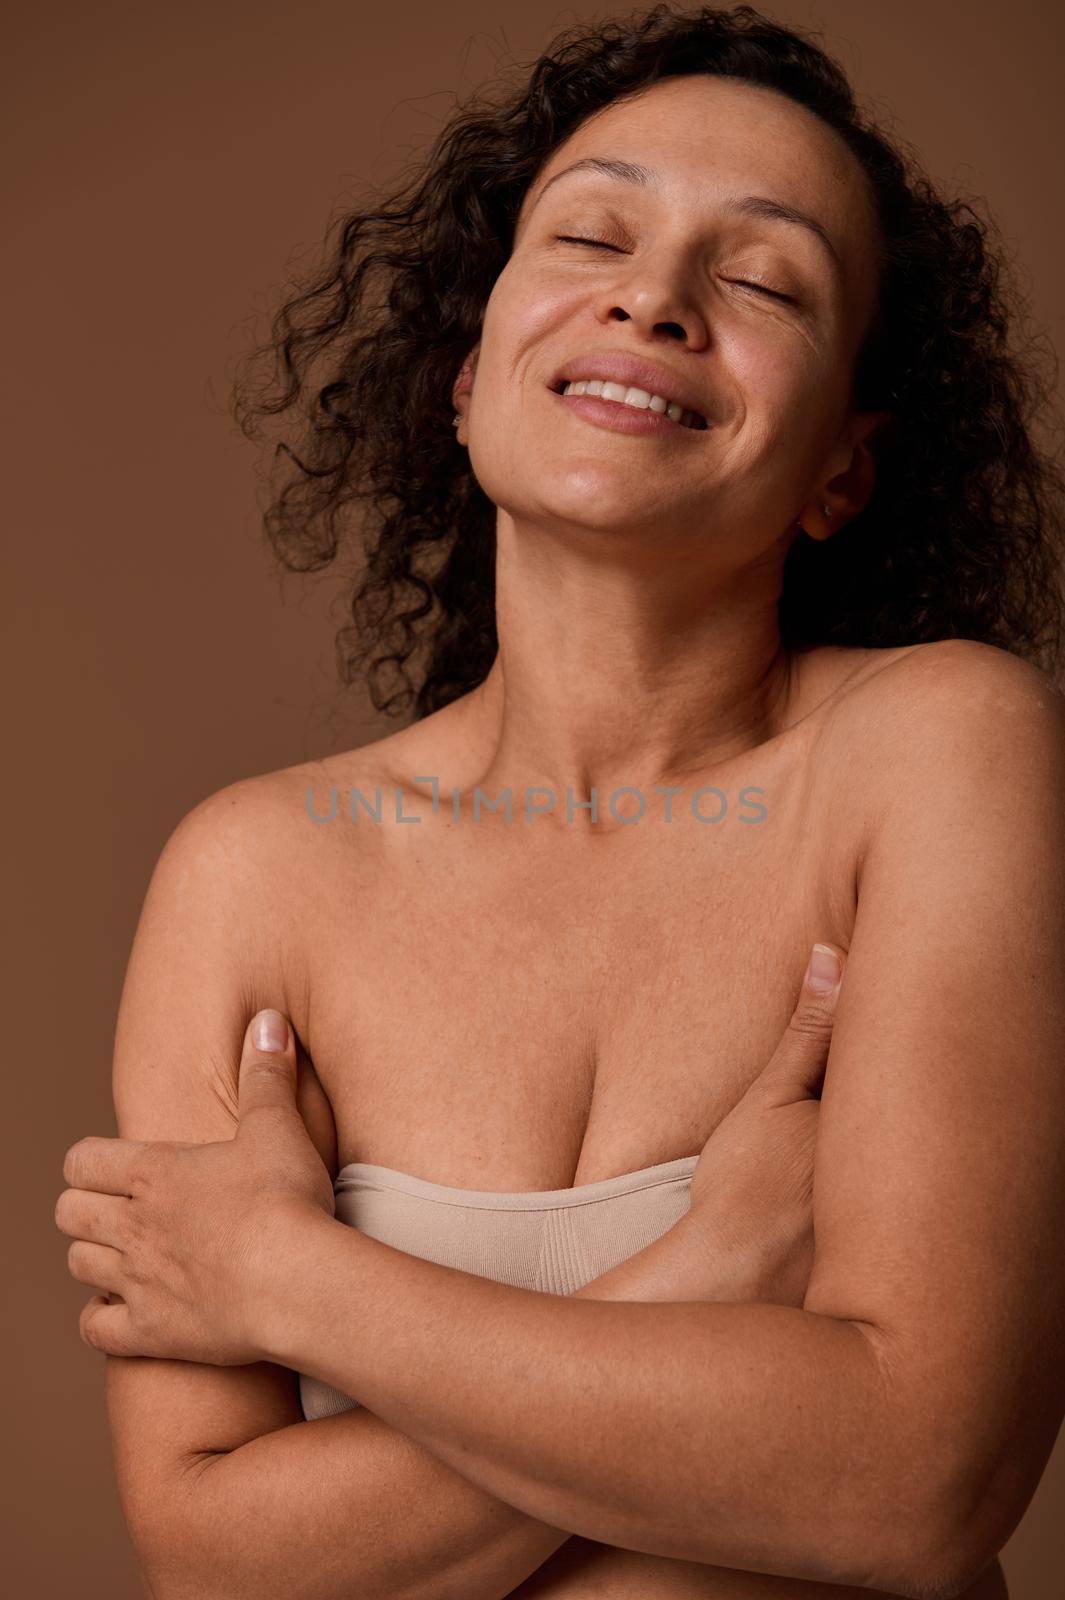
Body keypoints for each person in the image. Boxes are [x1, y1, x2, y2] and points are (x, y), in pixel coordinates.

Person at [55, 5, 1064, 1597]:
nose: (653, 297)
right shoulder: (252, 871)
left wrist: (284, 1281)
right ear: (465, 382)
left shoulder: (939, 748)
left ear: (843, 472)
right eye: (593, 231)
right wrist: (706, 1277)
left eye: (759, 280)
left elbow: (915, 1477)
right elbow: (218, 1563)